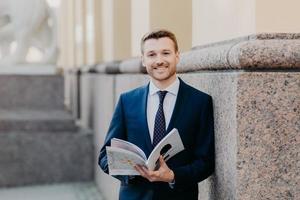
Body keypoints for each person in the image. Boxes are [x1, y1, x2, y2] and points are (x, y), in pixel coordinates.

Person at [98, 29, 215, 200]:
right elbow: (105, 156)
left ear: (177, 55)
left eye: (166, 53)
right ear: (143, 60)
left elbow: (206, 162)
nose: (159, 60)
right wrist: (130, 173)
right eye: (152, 54)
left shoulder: (200, 102)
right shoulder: (127, 101)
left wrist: (173, 175)